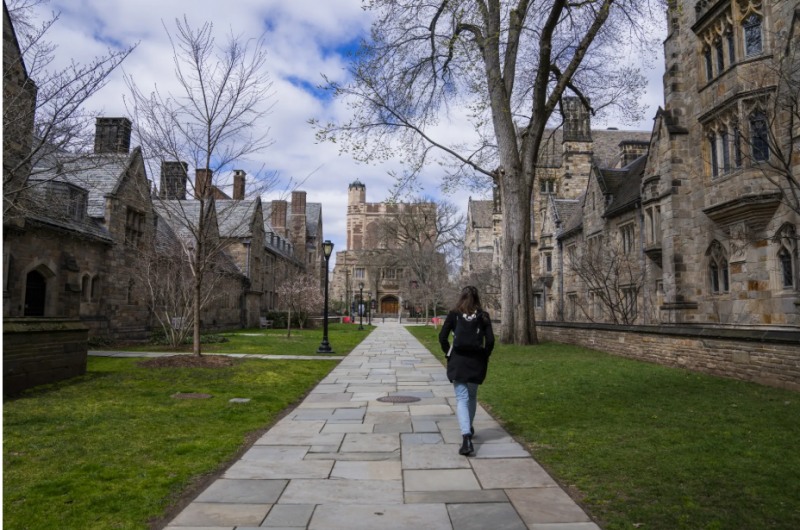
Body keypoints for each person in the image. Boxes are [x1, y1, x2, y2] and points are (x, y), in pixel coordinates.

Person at [438, 285, 494, 456]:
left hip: (458, 360)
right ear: (477, 299)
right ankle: (468, 426)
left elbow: (442, 337)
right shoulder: (483, 316)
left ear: (461, 297)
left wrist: (449, 353)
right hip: (476, 361)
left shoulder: (454, 314)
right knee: (471, 396)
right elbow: (490, 340)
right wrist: (484, 355)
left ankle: (466, 437)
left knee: (462, 398)